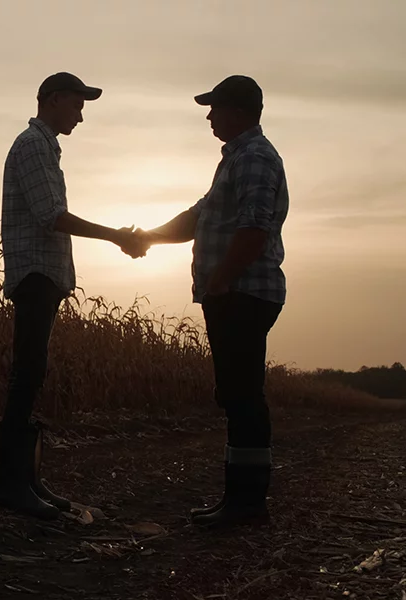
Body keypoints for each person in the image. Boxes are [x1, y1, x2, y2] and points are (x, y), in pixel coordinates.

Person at [129, 75, 289, 528]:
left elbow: (254, 228)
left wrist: (221, 279)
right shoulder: (237, 159)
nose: (209, 115)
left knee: (243, 395)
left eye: (215, 107)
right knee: (237, 393)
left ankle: (247, 503)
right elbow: (200, 217)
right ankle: (241, 498)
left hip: (242, 293)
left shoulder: (255, 157)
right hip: (234, 292)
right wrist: (149, 239)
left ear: (238, 110)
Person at [0, 72, 142, 520]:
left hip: (45, 273)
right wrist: (115, 235)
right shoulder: (34, 146)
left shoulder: (44, 148)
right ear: (53, 100)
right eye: (77, 105)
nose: (80, 115)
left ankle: (27, 480)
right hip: (35, 271)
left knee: (33, 370)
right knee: (27, 371)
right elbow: (50, 216)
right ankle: (10, 485)